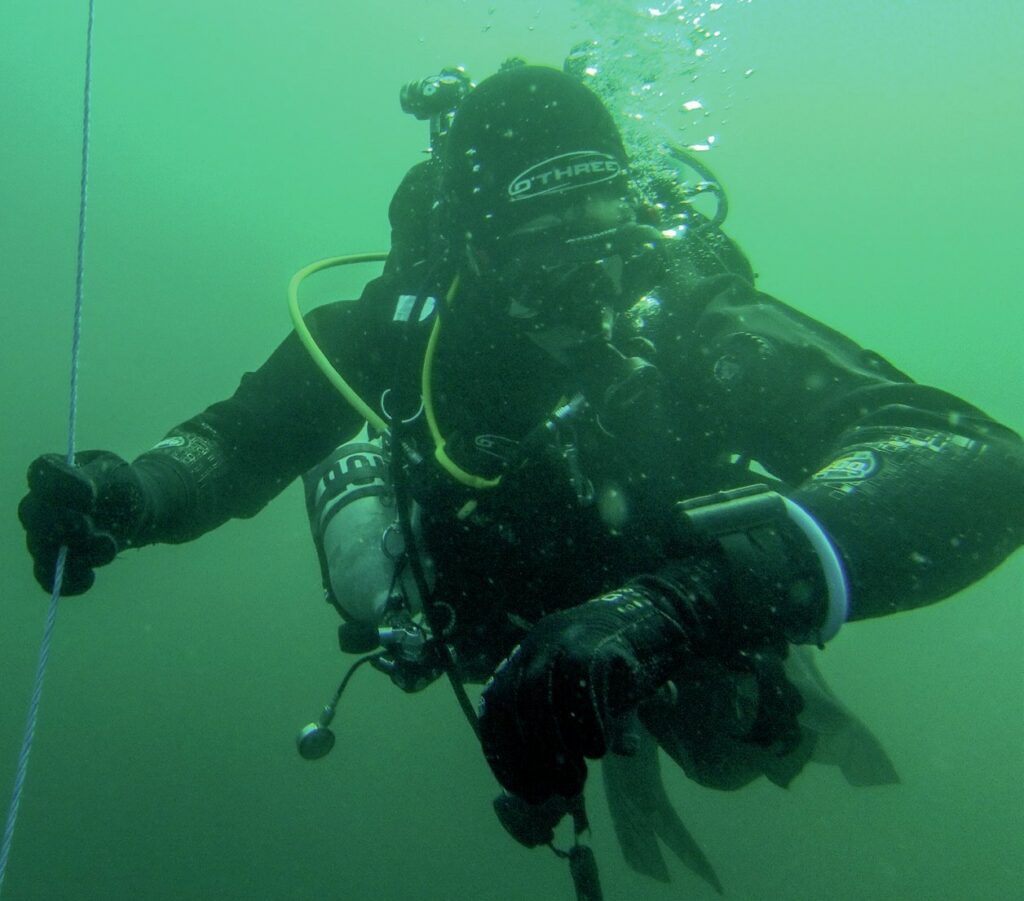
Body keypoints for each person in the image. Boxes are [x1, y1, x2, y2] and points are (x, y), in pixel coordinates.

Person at [18, 60, 1024, 894]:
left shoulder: (677, 312)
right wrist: (125, 494)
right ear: (473, 247)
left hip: (677, 620)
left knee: (737, 748)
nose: (592, 283)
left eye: (608, 231)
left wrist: (689, 601)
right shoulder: (393, 333)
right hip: (492, 635)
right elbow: (238, 441)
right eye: (547, 249)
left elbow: (978, 462)